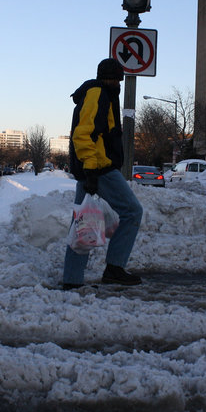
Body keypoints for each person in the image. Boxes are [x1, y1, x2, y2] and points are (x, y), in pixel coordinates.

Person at [63, 58, 143, 290]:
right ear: (113, 78)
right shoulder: (99, 93)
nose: (118, 83)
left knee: (83, 221)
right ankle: (114, 269)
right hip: (99, 167)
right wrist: (90, 168)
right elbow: (83, 133)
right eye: (117, 79)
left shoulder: (99, 93)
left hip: (94, 167)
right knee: (132, 211)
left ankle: (73, 279)